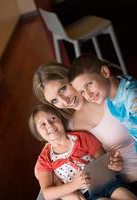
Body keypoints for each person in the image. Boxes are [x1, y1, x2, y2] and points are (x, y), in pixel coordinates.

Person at [33, 62, 137, 194]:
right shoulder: (67, 125)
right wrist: (68, 194)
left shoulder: (104, 91)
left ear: (71, 78)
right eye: (55, 101)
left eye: (63, 89)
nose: (65, 101)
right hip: (116, 185)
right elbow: (40, 168)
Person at [29, 104, 136, 200]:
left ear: (61, 120)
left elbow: (103, 159)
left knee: (124, 194)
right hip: (86, 195)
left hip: (106, 182)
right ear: (38, 134)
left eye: (53, 118)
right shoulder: (45, 159)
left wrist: (113, 163)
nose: (49, 125)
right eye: (42, 124)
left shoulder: (81, 138)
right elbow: (47, 194)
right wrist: (74, 185)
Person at [68, 53, 137, 152]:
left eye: (89, 84)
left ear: (105, 72)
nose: (89, 94)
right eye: (82, 92)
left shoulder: (132, 99)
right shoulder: (110, 99)